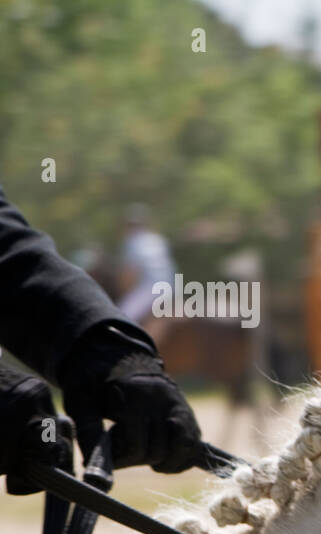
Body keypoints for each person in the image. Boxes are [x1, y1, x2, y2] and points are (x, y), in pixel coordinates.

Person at [0, 183, 202, 494]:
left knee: (128, 310)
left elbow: (7, 249)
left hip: (151, 289)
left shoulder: (136, 243)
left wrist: (102, 346)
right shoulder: (152, 240)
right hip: (167, 286)